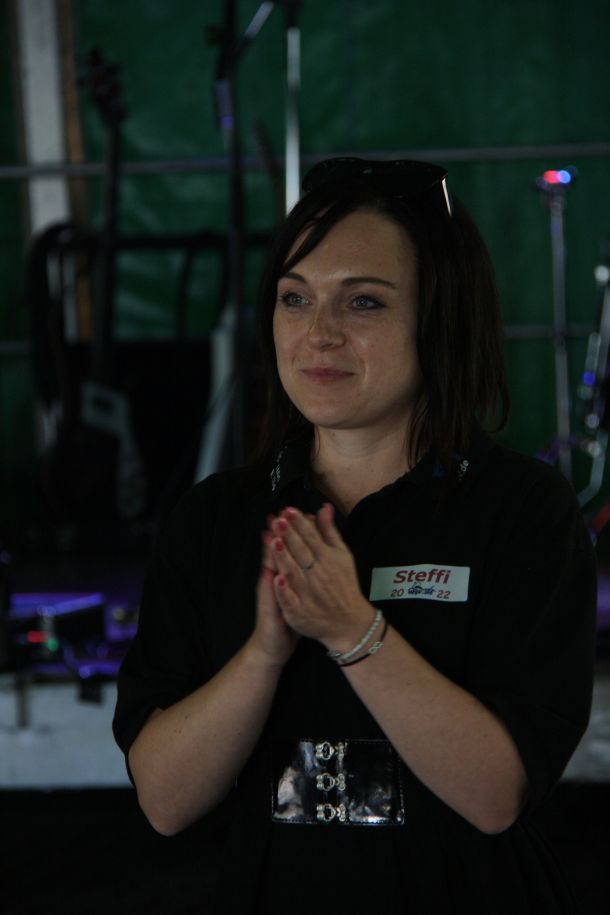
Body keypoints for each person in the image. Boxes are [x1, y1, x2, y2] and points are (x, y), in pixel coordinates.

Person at [113, 157, 597, 914]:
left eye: (363, 301)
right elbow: (165, 801)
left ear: (439, 318)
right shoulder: (214, 519)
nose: (319, 333)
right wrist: (263, 653)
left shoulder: (524, 512)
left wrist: (353, 630)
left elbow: (496, 794)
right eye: (295, 298)